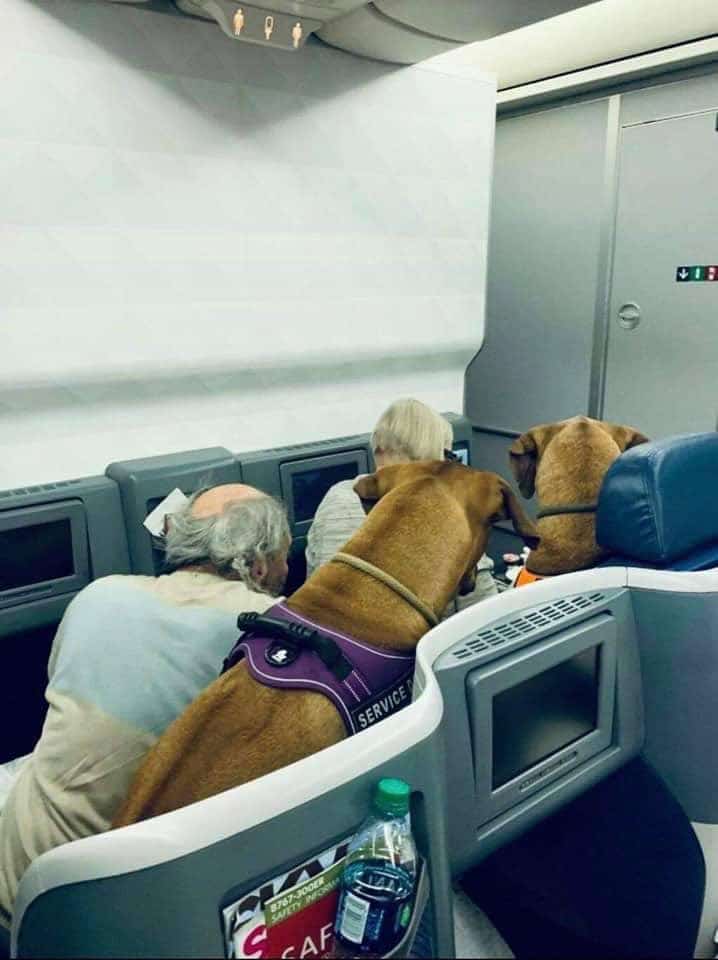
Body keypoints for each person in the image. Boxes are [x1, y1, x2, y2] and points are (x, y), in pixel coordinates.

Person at [0, 484, 290, 930]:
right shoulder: (274, 630)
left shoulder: (100, 594)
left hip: (17, 872)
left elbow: (56, 687)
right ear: (259, 562)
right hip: (98, 910)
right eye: (286, 554)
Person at [305, 398, 496, 610]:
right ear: (437, 456)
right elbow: (483, 609)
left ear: (378, 449)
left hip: (334, 639)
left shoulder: (338, 496)